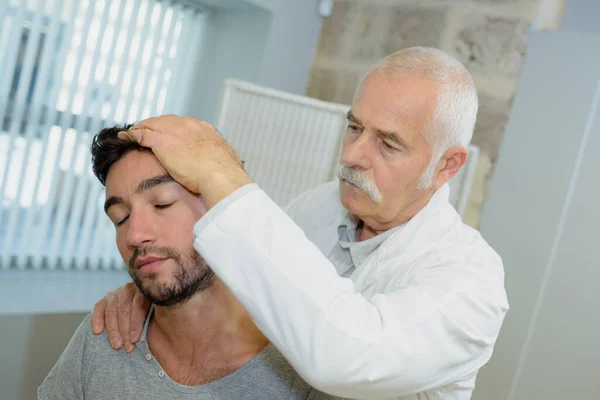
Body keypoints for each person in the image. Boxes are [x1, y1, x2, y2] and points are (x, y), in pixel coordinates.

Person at [92, 47, 509, 399]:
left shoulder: (470, 283)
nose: (352, 156)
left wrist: (220, 175)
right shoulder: (318, 207)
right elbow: (249, 296)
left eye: (387, 143)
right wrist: (153, 295)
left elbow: (343, 357)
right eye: (354, 127)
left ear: (446, 166)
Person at [38, 125, 313, 399]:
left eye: (162, 203)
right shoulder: (103, 338)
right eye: (121, 218)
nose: (134, 235)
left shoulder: (308, 367)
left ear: (224, 206)